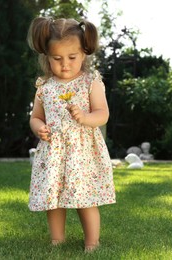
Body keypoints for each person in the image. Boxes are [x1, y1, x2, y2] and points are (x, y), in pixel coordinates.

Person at [27, 17, 116, 252]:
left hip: (82, 153)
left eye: (71, 57)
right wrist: (39, 128)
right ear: (47, 57)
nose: (64, 64)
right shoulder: (44, 86)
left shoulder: (90, 82)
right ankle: (57, 240)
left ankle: (92, 243)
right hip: (54, 153)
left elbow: (103, 114)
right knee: (53, 199)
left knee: (85, 199)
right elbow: (36, 117)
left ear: (84, 54)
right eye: (57, 58)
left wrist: (86, 118)